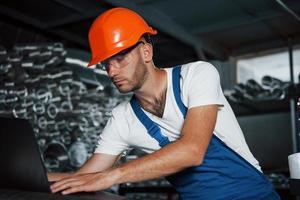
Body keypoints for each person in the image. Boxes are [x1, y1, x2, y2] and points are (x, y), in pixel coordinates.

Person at [49, 7, 280, 200]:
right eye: (105, 64)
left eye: (119, 59)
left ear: (146, 51)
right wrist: (30, 174)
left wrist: (112, 175)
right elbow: (84, 177)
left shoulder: (195, 75)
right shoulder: (122, 118)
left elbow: (192, 150)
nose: (112, 71)